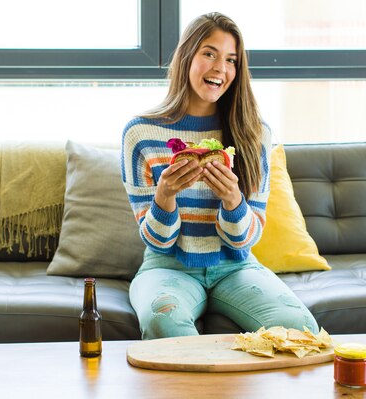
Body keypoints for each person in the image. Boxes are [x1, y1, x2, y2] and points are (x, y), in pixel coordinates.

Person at [121, 12, 319, 340]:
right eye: (209, 54)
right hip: (167, 268)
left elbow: (246, 238)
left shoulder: (254, 134)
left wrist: (233, 199)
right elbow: (157, 240)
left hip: (236, 267)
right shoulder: (140, 134)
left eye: (231, 60)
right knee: (162, 324)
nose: (220, 68)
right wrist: (164, 196)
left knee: (302, 331)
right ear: (186, 56)